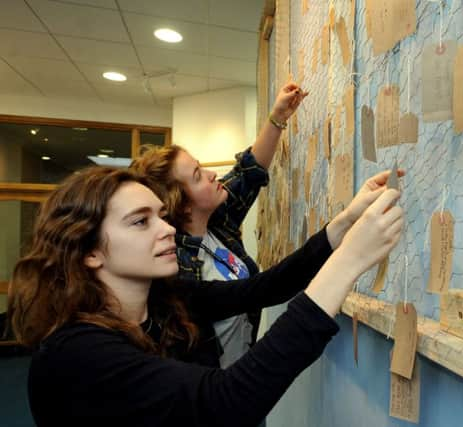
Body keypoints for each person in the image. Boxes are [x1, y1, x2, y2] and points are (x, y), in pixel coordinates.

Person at [8, 166, 402, 427]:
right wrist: (349, 261)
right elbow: (224, 404)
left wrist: (344, 224)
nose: (166, 230)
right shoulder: (75, 354)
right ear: (89, 250)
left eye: (161, 216)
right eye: (141, 222)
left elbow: (264, 288)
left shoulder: (168, 299)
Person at [130, 82, 307, 369]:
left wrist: (278, 117)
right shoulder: (175, 264)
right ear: (183, 203)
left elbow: (248, 172)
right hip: (213, 390)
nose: (214, 175)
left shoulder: (218, 226)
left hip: (241, 370)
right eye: (198, 175)